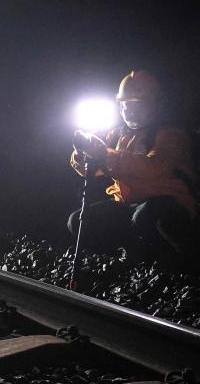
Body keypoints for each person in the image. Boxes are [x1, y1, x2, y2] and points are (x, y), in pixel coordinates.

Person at [69, 69, 197, 262]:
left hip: (172, 203)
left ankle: (182, 268)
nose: (128, 110)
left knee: (145, 218)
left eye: (135, 104)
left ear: (153, 104)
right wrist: (82, 153)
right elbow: (92, 169)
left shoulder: (171, 134)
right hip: (130, 203)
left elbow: (153, 168)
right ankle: (120, 264)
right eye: (124, 104)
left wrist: (105, 154)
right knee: (80, 221)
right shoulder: (119, 134)